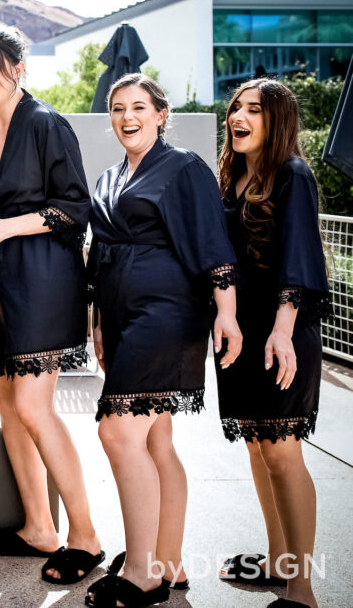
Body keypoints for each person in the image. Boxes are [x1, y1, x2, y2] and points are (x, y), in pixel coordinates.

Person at [85, 74, 242, 607]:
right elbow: (98, 256)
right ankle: (169, 562)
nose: (127, 116)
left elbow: (211, 241)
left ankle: (142, 573)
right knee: (155, 442)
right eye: (118, 108)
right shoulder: (108, 178)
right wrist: (100, 322)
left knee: (117, 435)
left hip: (167, 313)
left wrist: (228, 314)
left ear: (160, 114)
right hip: (121, 318)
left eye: (138, 107)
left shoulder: (183, 168)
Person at [0, 25, 103, 584]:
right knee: (10, 411)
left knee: (36, 409)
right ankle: (39, 527)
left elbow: (73, 209)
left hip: (42, 281)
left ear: (19, 69)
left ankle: (85, 535)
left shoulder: (47, 124)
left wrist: (5, 229)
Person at [215, 78, 329, 608]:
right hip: (243, 333)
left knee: (283, 452)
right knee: (259, 447)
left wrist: (283, 329)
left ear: (276, 120)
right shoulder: (233, 176)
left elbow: (301, 255)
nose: (239, 116)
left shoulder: (293, 174)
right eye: (236, 107)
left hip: (283, 331)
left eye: (253, 110)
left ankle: (301, 589)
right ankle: (279, 562)